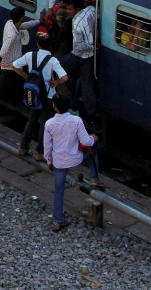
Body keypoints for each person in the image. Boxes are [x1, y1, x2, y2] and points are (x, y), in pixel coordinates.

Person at [8, 33, 68, 161]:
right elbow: (65, 77)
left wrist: (27, 77)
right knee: (44, 125)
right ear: (50, 46)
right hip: (48, 95)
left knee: (32, 120)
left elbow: (14, 65)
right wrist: (56, 83)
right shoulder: (52, 60)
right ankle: (39, 152)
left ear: (38, 44)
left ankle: (23, 147)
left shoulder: (30, 55)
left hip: (34, 94)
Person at [44, 93, 98, 232]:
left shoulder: (49, 124)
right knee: (93, 148)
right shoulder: (77, 121)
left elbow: (47, 147)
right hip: (76, 158)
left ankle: (58, 221)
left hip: (59, 162)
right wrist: (93, 139)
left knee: (59, 190)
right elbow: (86, 141)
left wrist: (49, 161)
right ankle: (94, 179)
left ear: (55, 107)